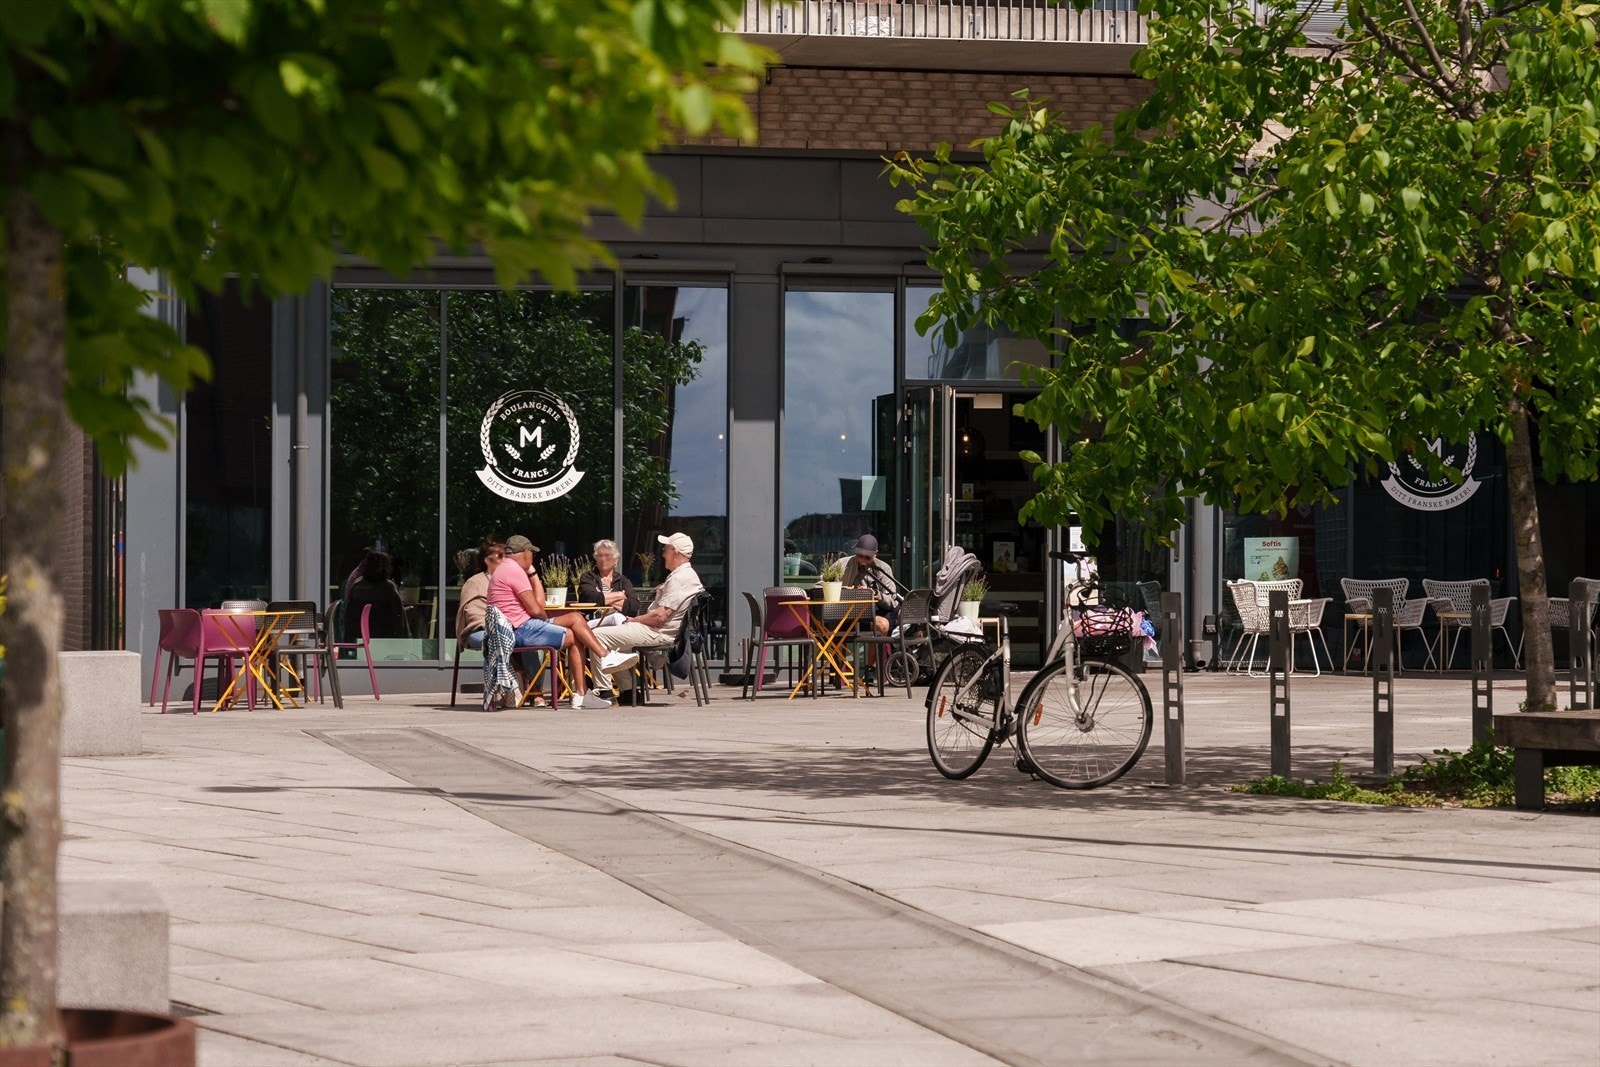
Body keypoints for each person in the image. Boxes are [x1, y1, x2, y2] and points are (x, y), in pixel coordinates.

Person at [488, 534, 638, 709]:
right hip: (520, 629)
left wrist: (533, 574)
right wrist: (544, 614)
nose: (533, 558)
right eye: (532, 554)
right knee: (575, 626)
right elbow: (538, 609)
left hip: (514, 627)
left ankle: (586, 688)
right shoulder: (514, 571)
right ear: (525, 552)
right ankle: (596, 671)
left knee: (575, 622)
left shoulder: (504, 568)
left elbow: (633, 605)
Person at [589, 532, 704, 702]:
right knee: (615, 636)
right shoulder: (686, 575)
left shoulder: (680, 579)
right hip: (660, 630)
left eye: (666, 549)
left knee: (596, 635)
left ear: (675, 552)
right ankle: (628, 692)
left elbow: (660, 616)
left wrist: (635, 620)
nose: (663, 553)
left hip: (658, 632)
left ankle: (604, 692)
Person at [840, 534, 900, 638]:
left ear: (876, 554)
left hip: (877, 611)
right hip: (849, 612)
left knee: (891, 620)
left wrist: (875, 594)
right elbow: (821, 584)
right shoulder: (843, 564)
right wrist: (845, 591)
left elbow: (892, 600)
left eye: (867, 557)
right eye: (859, 555)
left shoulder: (883, 568)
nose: (862, 559)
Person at [345, 549, 408, 639]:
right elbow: (399, 618)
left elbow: (349, 618)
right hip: (386, 638)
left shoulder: (357, 587)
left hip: (360, 638)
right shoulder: (388, 588)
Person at [454, 540, 505, 651]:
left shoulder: (511, 580)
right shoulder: (474, 582)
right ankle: (501, 669)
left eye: (506, 556)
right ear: (486, 560)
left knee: (528, 640)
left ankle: (532, 670)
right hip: (480, 629)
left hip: (508, 629)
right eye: (500, 556)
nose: (505, 560)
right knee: (496, 640)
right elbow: (470, 613)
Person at [579, 539, 643, 619]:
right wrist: (619, 595)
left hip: (620, 624)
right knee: (616, 618)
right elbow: (590, 598)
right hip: (595, 621)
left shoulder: (623, 581)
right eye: (600, 555)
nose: (603, 559)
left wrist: (603, 597)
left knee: (618, 619)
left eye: (607, 555)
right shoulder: (588, 577)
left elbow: (634, 606)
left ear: (616, 560)